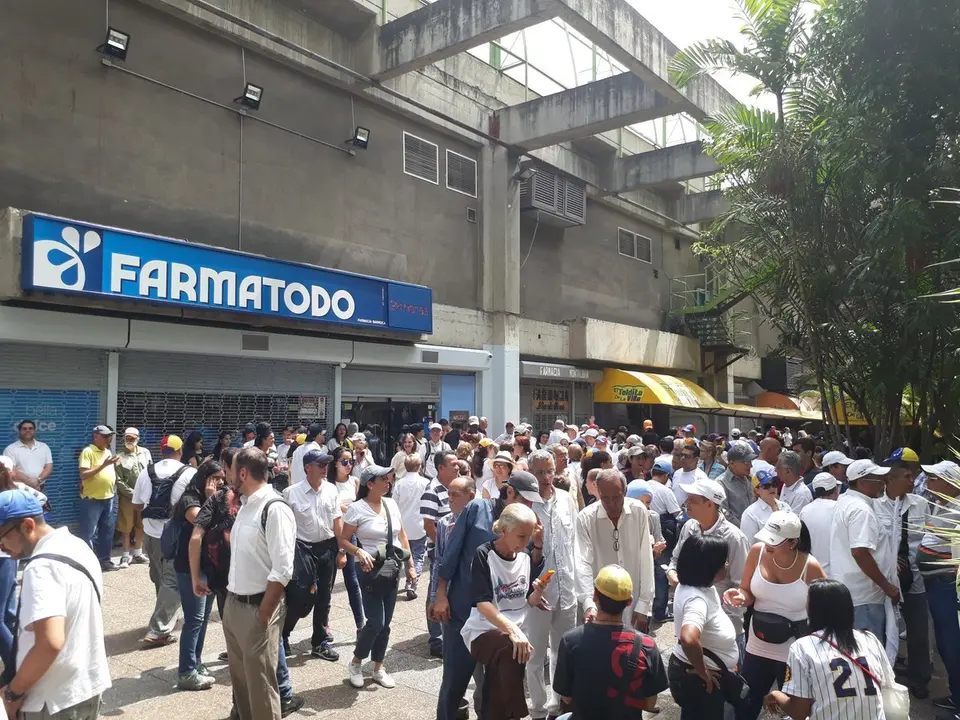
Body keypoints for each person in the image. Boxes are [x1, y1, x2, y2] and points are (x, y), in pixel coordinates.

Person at [432, 471, 545, 720]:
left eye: (531, 502)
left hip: (499, 622)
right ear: (509, 492)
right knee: (454, 681)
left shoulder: (525, 522)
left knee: (493, 688)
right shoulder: (477, 508)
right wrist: (439, 594)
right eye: (524, 499)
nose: (528, 505)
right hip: (463, 610)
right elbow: (450, 554)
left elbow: (524, 568)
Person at [0, 491, 109, 720]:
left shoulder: (41, 569)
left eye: (1, 538)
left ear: (27, 525)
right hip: (84, 687)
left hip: (51, 701)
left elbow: (50, 642)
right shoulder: (76, 545)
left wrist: (12, 693)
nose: (1, 547)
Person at [723, 512, 825, 720]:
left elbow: (825, 606)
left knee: (794, 707)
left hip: (794, 647)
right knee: (746, 700)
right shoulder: (757, 552)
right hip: (758, 641)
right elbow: (746, 590)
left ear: (793, 542)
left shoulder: (810, 566)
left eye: (774, 540)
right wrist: (740, 596)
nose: (767, 543)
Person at [222, 447, 298, 720]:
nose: (226, 475)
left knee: (262, 689)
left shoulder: (274, 508)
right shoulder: (245, 504)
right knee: (242, 684)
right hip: (234, 605)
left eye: (230, 470)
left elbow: (282, 570)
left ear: (243, 473)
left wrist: (263, 614)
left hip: (258, 610)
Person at [460, 502, 546, 719]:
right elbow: (482, 603)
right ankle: (518, 714)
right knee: (511, 649)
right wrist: (513, 630)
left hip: (517, 638)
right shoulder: (484, 554)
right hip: (483, 631)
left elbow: (523, 599)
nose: (525, 542)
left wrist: (536, 596)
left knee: (497, 685)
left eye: (528, 536)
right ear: (505, 531)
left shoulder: (526, 556)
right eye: (521, 536)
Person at [764, 579, 894, 720]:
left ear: (815, 609)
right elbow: (887, 686)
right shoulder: (869, 639)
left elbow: (799, 713)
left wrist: (776, 696)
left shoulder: (802, 647)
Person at [553, 565, 668, 720]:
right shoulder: (646, 644)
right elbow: (649, 703)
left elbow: (566, 697)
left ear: (595, 596)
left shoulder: (570, 640)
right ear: (629, 601)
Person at [340, 465, 415, 689]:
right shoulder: (357, 509)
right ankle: (355, 662)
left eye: (389, 478)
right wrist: (358, 551)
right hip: (368, 570)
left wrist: (410, 565)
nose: (388, 482)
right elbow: (343, 540)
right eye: (383, 479)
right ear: (370, 483)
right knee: (375, 622)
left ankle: (378, 667)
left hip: (392, 569)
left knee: (386, 624)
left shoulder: (391, 504)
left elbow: (402, 536)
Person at [526, 450, 579, 720]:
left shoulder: (567, 499)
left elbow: (576, 545)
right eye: (540, 472)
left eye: (549, 471)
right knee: (535, 654)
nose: (546, 478)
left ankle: (557, 705)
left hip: (567, 588)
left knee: (563, 651)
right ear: (531, 473)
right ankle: (536, 708)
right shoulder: (526, 505)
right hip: (539, 593)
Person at [668, 476, 750, 652]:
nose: (686, 503)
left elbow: (740, 584)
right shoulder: (689, 527)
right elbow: (674, 561)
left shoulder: (734, 538)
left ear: (710, 504)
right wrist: (674, 577)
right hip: (690, 619)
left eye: (693, 500)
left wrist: (727, 624)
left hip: (723, 628)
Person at [876, 447, 930, 698]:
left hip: (915, 580)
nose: (913, 481)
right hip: (885, 582)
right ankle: (885, 676)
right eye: (907, 477)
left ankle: (920, 677)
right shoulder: (875, 507)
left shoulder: (921, 505)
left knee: (918, 632)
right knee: (885, 628)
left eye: (913, 476)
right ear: (890, 479)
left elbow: (927, 540)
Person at [133, 434, 196, 647]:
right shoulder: (189, 473)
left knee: (161, 578)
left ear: (162, 451)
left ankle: (166, 618)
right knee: (173, 582)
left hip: (151, 535)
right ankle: (158, 630)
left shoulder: (146, 471)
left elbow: (137, 505)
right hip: (175, 536)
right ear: (180, 451)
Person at [668, 534, 740, 720]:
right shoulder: (696, 599)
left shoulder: (697, 588)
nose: (726, 564)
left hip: (697, 676)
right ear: (710, 566)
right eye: (723, 561)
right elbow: (689, 638)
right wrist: (703, 672)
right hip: (701, 682)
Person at [282, 449, 343, 662]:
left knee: (324, 597)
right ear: (308, 468)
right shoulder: (291, 493)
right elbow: (285, 527)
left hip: (327, 548)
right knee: (299, 597)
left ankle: (319, 642)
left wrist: (341, 549)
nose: (325, 468)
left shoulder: (331, 490)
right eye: (320, 465)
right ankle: (283, 634)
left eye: (326, 464)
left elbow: (337, 520)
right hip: (301, 549)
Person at [576, 469, 655, 629]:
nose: (611, 504)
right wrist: (588, 603)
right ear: (598, 493)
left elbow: (646, 558)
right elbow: (582, 562)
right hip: (600, 606)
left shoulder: (638, 511)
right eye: (605, 498)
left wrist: (644, 605)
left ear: (625, 492)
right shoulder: (585, 518)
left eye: (616, 497)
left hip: (633, 602)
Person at [829, 459, 897, 642]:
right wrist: (886, 586)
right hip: (865, 596)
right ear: (863, 482)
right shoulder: (861, 510)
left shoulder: (845, 501)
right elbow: (859, 552)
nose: (884, 482)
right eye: (879, 478)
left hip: (851, 592)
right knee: (868, 655)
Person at [171, 460, 225, 690]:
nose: (220, 483)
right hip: (190, 567)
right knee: (193, 619)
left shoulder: (213, 498)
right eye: (216, 478)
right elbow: (204, 520)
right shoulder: (189, 500)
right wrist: (212, 497)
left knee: (202, 619)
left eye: (223, 478)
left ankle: (197, 662)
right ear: (204, 478)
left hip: (209, 566)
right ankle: (186, 671)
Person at [917, 460, 960, 719]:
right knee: (945, 645)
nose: (928, 482)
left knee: (953, 645)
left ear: (948, 482)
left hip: (947, 590)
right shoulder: (943, 504)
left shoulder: (957, 509)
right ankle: (956, 695)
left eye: (933, 478)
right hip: (938, 586)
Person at [0, 458, 47, 671]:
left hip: (5, 558)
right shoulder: (19, 489)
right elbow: (42, 498)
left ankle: (14, 665)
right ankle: (18, 656)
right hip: (11, 555)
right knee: (9, 613)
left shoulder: (15, 492)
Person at [329, 447, 365, 633]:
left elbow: (359, 508)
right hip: (329, 536)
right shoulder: (328, 485)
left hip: (349, 536)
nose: (349, 465)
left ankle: (360, 624)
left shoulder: (355, 482)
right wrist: (346, 509)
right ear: (335, 463)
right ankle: (323, 626)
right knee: (326, 584)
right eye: (344, 461)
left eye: (351, 461)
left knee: (352, 581)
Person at [78, 424, 120, 573]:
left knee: (107, 531)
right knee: (89, 533)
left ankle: (105, 561)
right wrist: (104, 465)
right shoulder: (88, 452)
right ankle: (87, 563)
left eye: (110, 436)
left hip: (109, 497)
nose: (109, 439)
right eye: (105, 436)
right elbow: (84, 474)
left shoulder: (108, 451)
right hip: (92, 499)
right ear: (96, 436)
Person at [392, 454, 429, 600]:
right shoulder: (425, 483)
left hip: (403, 526)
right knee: (418, 556)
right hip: (419, 525)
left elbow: (394, 503)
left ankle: (400, 581)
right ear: (419, 466)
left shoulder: (399, 484)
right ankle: (411, 583)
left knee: (403, 556)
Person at [114, 427, 151, 569]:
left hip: (144, 496)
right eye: (127, 437)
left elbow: (150, 471)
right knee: (126, 526)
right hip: (127, 498)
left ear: (138, 439)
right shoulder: (119, 456)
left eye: (132, 438)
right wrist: (132, 493)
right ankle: (125, 555)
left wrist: (146, 492)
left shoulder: (145, 453)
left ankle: (138, 552)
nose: (129, 440)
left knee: (140, 524)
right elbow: (118, 480)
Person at [799, 472, 840, 575]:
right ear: (835, 490)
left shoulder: (805, 511)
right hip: (838, 573)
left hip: (812, 572)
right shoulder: (840, 508)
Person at [738, 469, 791, 544]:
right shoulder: (750, 514)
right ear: (757, 490)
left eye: (774, 484)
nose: (772, 488)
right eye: (766, 486)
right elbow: (749, 545)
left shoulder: (786, 507)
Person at [3, 420, 53, 490]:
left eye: (30, 428)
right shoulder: (10, 449)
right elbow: (12, 470)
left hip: (40, 487)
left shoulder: (44, 447)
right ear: (19, 431)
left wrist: (38, 480)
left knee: (42, 501)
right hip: (20, 489)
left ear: (34, 431)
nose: (27, 430)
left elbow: (49, 468)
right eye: (24, 428)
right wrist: (31, 484)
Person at [718, 445, 757, 527]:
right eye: (746, 462)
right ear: (732, 463)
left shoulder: (750, 479)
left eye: (750, 462)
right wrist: (744, 528)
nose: (750, 466)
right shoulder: (721, 483)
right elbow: (724, 513)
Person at [289, 423, 323, 488]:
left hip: (296, 488)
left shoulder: (298, 449)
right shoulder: (315, 450)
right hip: (309, 488)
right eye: (322, 434)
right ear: (319, 435)